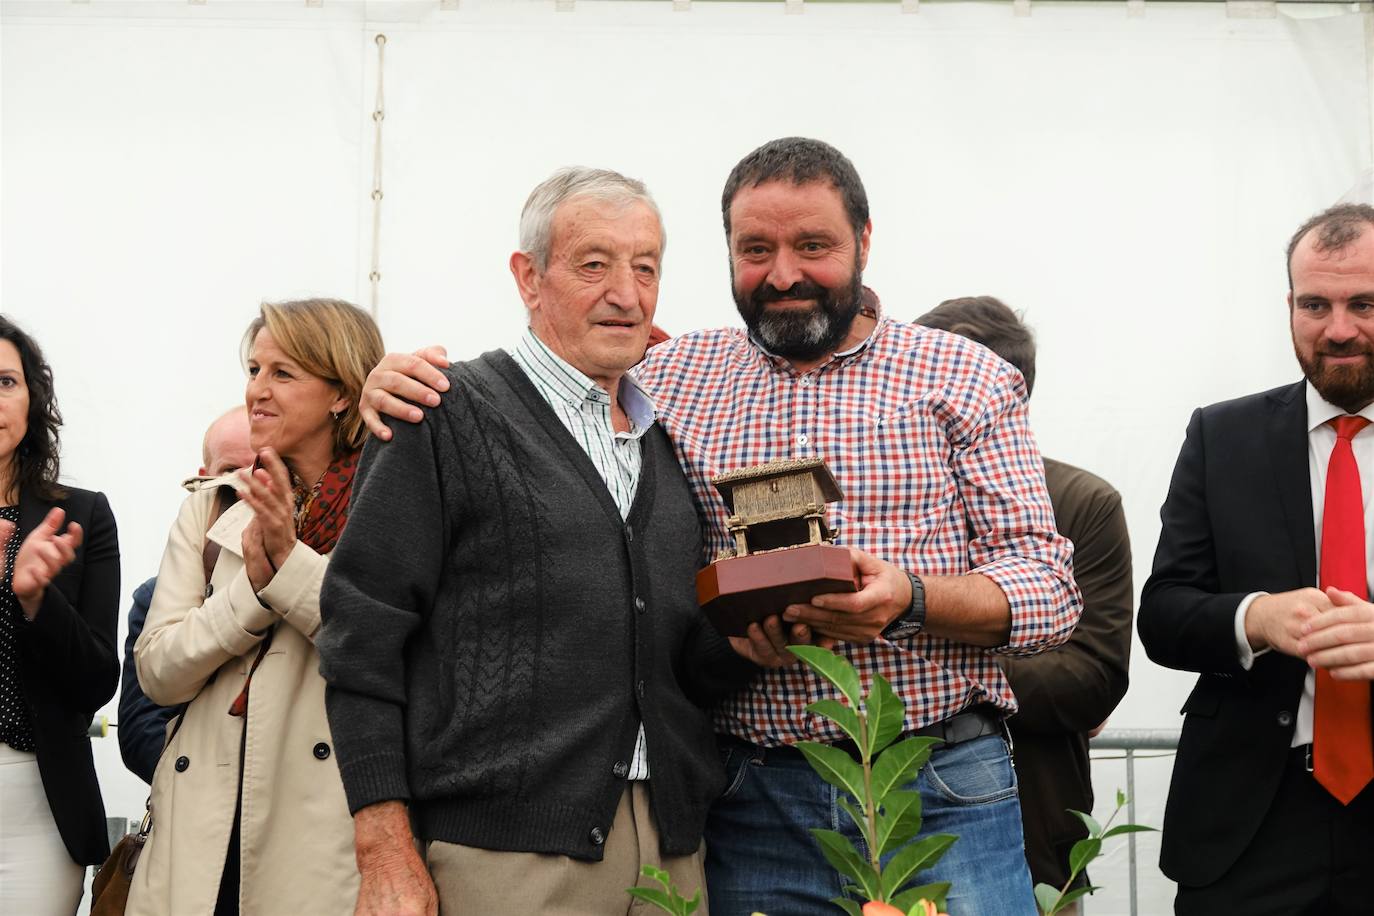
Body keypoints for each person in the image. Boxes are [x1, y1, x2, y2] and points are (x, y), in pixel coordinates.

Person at [359, 138, 1081, 916]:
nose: (783, 274)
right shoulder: (673, 378)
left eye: (814, 246)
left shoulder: (964, 377)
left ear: (864, 243)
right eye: (755, 249)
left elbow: (1048, 592)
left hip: (933, 787)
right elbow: (549, 380)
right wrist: (396, 384)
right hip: (746, 798)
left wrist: (909, 598)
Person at [317, 167, 804, 916]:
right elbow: (360, 637)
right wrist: (383, 848)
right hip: (506, 862)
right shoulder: (440, 415)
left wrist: (746, 639)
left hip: (670, 853)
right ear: (528, 277)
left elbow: (669, 666)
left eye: (646, 268)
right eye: (594, 264)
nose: (627, 292)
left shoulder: (664, 446)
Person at [1138, 202, 1374, 914]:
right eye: (1315, 304)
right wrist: (1254, 617)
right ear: (1289, 305)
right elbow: (1164, 614)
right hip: (1251, 825)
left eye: (1365, 302)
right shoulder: (1221, 436)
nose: (1338, 328)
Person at [129, 299, 383, 915]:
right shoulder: (212, 505)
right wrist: (254, 592)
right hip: (201, 828)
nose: (257, 392)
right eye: (252, 370)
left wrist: (288, 567)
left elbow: (387, 649)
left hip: (322, 828)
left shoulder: (391, 501)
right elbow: (158, 671)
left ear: (342, 394)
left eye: (282, 373)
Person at [915, 296, 1133, 905]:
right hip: (882, 823)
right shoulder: (876, 500)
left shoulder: (1083, 502)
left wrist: (910, 643)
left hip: (1034, 831)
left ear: (1009, 400)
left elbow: (1091, 676)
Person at [0, 315, 120, 916]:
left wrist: (36, 600)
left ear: (32, 397)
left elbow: (99, 681)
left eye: (5, 382)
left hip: (40, 806)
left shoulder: (82, 516)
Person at [118, 406, 254, 784]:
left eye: (260, 466)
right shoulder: (154, 597)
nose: (246, 485)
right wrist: (203, 792)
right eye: (230, 472)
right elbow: (140, 728)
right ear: (205, 480)